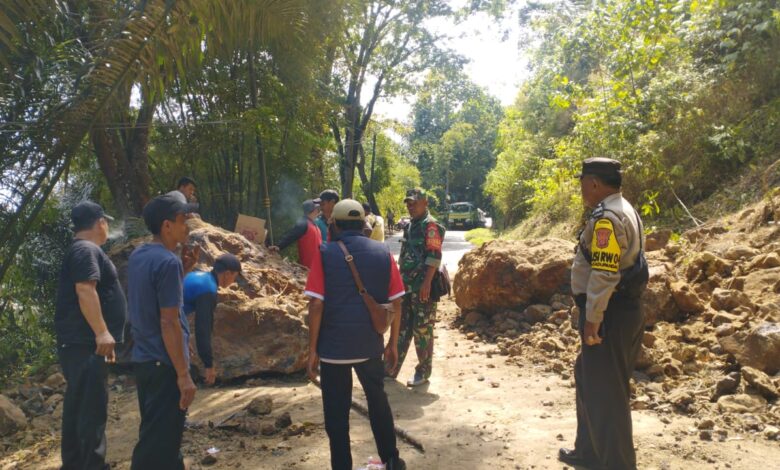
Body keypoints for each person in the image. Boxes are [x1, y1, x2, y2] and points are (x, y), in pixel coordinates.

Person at [559, 157, 648, 470]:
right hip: (622, 310)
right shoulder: (623, 208)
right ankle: (588, 451)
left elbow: (605, 273)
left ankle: (616, 464)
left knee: (608, 395)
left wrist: (593, 318)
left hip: (610, 314)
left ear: (594, 183)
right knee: (587, 376)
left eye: (583, 182)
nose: (581, 188)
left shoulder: (607, 218)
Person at [304, 199, 406, 470]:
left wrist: (313, 350)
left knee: (337, 413)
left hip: (334, 348)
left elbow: (316, 304)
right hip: (369, 345)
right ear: (363, 225)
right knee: (377, 400)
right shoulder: (383, 252)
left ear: (334, 225)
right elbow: (396, 302)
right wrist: (392, 344)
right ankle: (391, 460)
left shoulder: (324, 252)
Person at [128, 194, 199, 470]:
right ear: (167, 226)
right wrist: (183, 375)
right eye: (183, 221)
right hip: (163, 363)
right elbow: (167, 322)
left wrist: (183, 270)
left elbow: (153, 299)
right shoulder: (167, 263)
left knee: (163, 440)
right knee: (156, 446)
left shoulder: (141, 256)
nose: (187, 227)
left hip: (144, 360)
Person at [54, 201, 127, 470]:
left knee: (79, 407)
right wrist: (102, 332)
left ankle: (75, 465)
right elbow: (85, 290)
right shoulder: (86, 250)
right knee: (91, 410)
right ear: (100, 223)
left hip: (82, 344)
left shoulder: (82, 250)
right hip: (85, 343)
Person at [388, 188, 446, 387]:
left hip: (422, 288)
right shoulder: (412, 225)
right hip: (406, 288)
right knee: (402, 327)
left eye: (414, 202)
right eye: (408, 203)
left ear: (425, 203)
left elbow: (434, 256)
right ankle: (391, 368)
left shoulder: (431, 226)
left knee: (422, 330)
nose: (410, 206)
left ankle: (423, 371)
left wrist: (427, 283)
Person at [182, 253, 242, 385]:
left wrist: (183, 334)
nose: (234, 281)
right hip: (161, 325)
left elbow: (179, 307)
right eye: (235, 277)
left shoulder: (199, 276)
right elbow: (203, 329)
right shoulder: (208, 289)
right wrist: (208, 365)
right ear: (227, 274)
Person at [267, 199, 323, 269]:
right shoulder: (304, 223)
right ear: (315, 210)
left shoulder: (314, 224)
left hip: (317, 266)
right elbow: (291, 236)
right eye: (318, 208)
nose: (319, 210)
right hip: (308, 268)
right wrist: (279, 246)